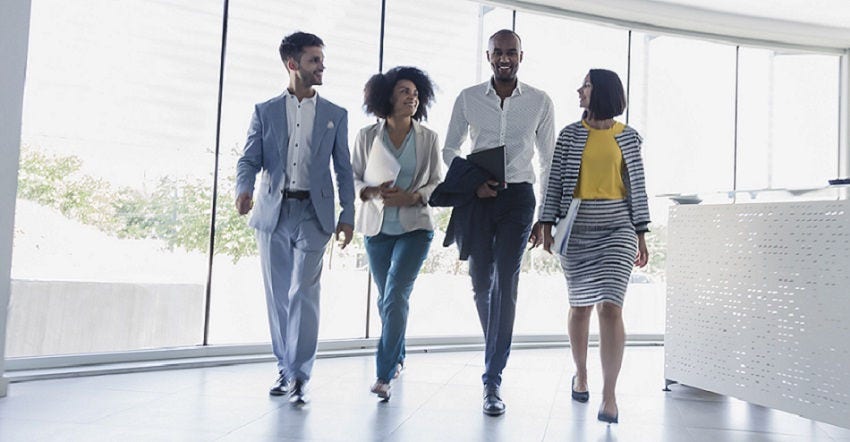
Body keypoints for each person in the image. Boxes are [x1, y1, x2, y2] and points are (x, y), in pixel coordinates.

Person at [235, 31, 355, 405]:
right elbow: (249, 159)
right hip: (273, 212)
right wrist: (244, 189)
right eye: (314, 60)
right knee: (278, 296)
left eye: (321, 59)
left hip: (314, 214)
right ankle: (284, 370)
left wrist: (347, 215)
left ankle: (301, 374)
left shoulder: (336, 115)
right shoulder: (264, 111)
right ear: (293, 64)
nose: (322, 66)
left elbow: (344, 169)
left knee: (304, 291)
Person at [442, 29, 555, 416]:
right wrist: (475, 184)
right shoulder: (468, 98)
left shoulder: (540, 101)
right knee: (480, 282)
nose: (504, 58)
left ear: (522, 55)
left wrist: (547, 216)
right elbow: (450, 148)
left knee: (506, 279)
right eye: (497, 53)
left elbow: (549, 159)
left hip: (520, 199)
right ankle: (495, 346)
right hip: (479, 196)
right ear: (488, 56)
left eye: (511, 52)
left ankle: (492, 378)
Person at [538, 69, 650, 424]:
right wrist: (545, 223)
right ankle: (581, 374)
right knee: (581, 306)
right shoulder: (570, 135)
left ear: (601, 91)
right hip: (577, 227)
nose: (579, 90)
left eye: (585, 85)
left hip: (618, 226)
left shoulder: (629, 137)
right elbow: (554, 181)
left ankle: (610, 396)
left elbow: (638, 186)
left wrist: (642, 233)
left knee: (611, 308)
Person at [351, 66, 442, 400]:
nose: (412, 97)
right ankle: (398, 356)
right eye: (405, 91)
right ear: (386, 96)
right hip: (376, 229)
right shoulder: (365, 137)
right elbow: (355, 179)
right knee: (386, 298)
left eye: (416, 93)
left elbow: (436, 182)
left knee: (395, 296)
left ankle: (384, 374)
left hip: (414, 228)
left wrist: (414, 196)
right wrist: (372, 192)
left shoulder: (428, 138)